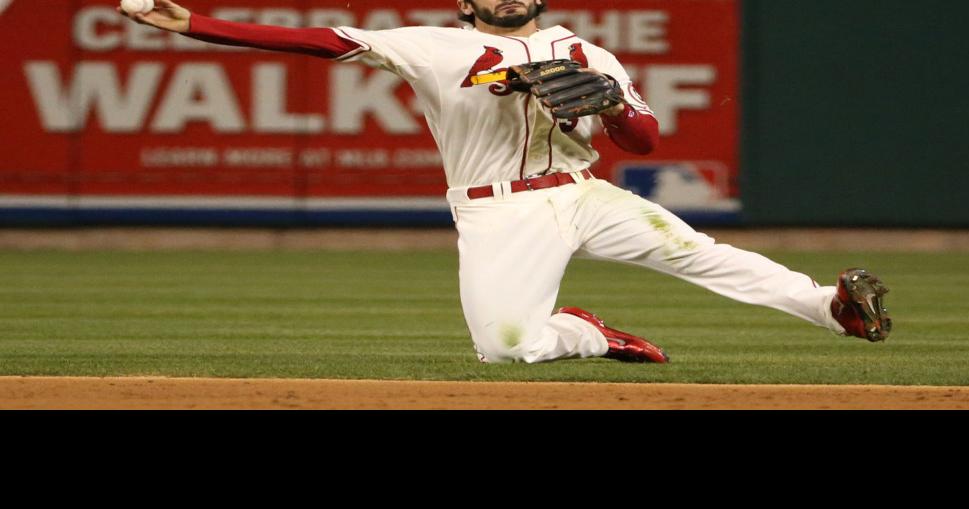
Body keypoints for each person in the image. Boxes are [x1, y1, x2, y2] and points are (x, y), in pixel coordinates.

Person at [120, 0, 892, 364]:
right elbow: (322, 42)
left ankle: (831, 309)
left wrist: (615, 106)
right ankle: (590, 334)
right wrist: (197, 26)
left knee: (701, 252)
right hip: (496, 215)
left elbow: (646, 137)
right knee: (507, 345)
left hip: (579, 191)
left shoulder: (589, 53)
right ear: (467, 3)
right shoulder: (429, 46)